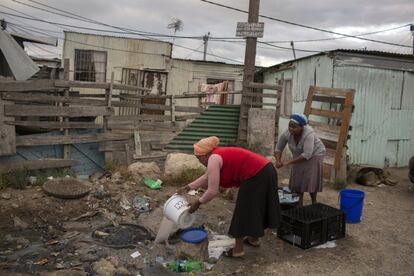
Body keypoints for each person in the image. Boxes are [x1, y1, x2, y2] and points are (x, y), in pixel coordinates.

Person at [177, 136, 280, 258]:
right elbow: (207, 177)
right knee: (256, 207)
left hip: (256, 175)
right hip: (266, 169)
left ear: (205, 155)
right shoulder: (217, 154)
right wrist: (188, 187)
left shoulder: (213, 159)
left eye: (198, 158)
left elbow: (212, 191)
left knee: (243, 211)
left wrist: (197, 203)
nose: (199, 161)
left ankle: (238, 250)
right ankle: (254, 239)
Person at [274, 113, 326, 206]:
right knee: (297, 179)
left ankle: (314, 202)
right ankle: (299, 204)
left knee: (310, 178)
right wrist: (278, 160)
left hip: (315, 154)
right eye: (290, 126)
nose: (291, 129)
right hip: (300, 155)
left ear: (302, 127)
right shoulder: (287, 133)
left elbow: (307, 154)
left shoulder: (309, 134)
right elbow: (278, 148)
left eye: (294, 127)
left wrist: (288, 162)